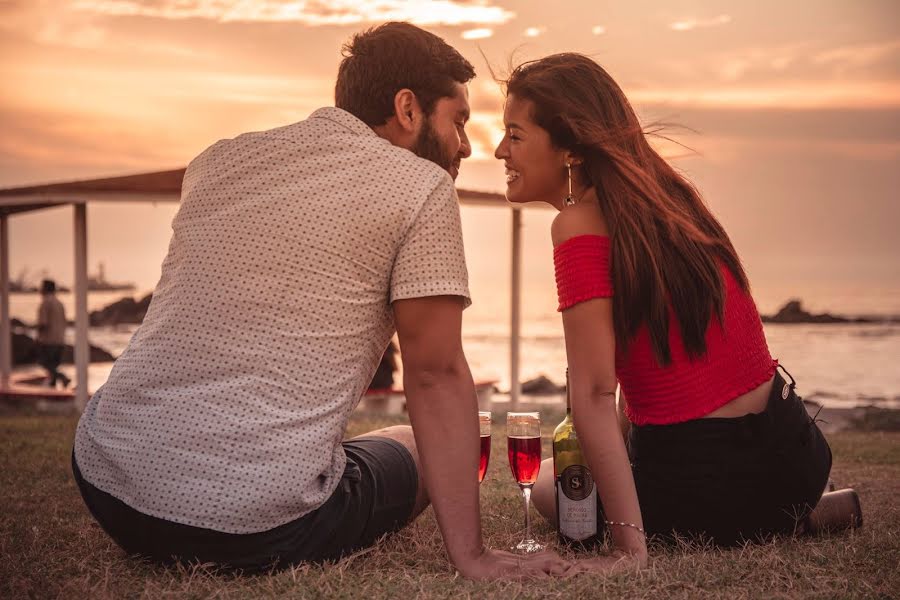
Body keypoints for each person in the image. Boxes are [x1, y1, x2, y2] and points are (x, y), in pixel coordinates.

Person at [72, 23, 569, 579]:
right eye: (458, 120)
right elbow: (434, 375)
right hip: (254, 525)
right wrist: (472, 556)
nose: (467, 145)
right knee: (409, 443)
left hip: (108, 480)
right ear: (407, 108)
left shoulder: (216, 161)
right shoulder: (420, 186)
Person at [493, 53, 855, 572]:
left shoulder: (577, 225)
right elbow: (645, 376)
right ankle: (795, 515)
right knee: (604, 465)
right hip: (794, 456)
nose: (500, 149)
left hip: (704, 481)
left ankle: (759, 520)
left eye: (515, 134)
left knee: (556, 488)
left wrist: (627, 552)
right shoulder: (670, 203)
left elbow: (594, 395)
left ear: (570, 148)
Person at [36, 279, 71, 388]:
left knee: (45, 363)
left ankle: (63, 377)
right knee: (54, 365)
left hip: (48, 340)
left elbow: (43, 323)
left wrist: (38, 337)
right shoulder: (59, 303)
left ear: (45, 288)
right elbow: (65, 321)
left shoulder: (45, 302)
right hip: (60, 339)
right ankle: (53, 386)